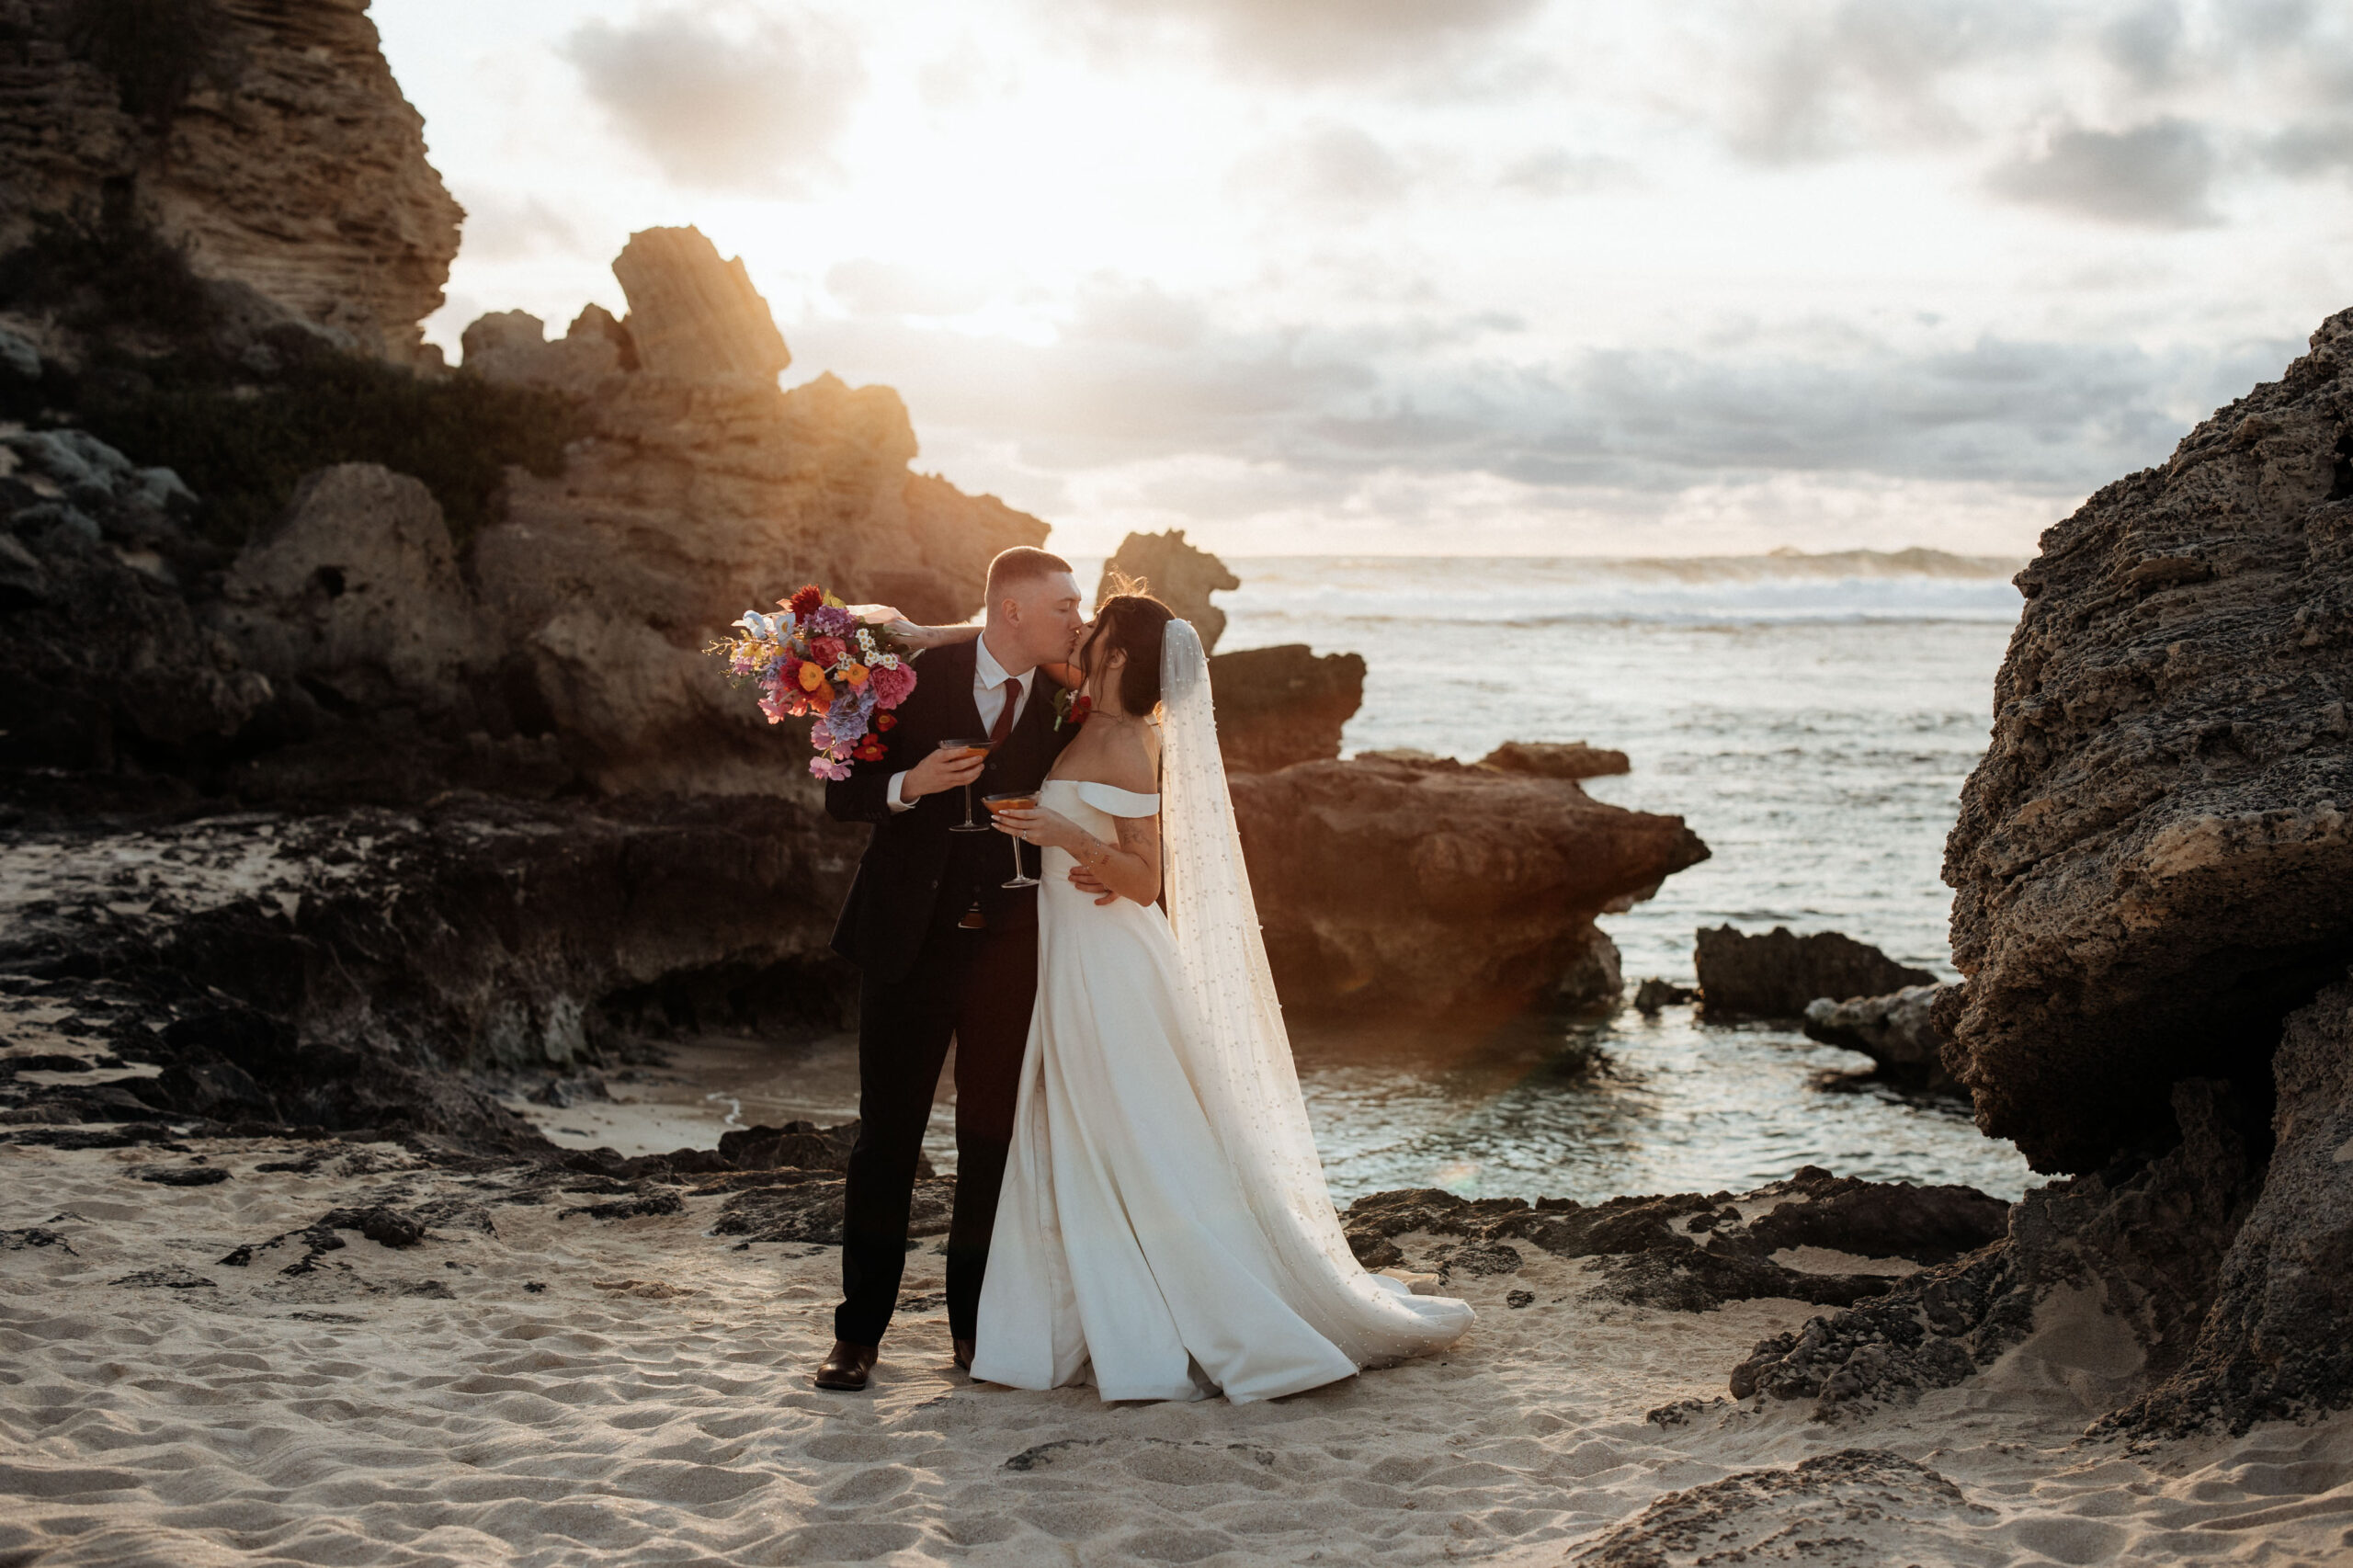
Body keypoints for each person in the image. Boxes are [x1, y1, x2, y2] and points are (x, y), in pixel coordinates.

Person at [973, 593, 1472, 1401]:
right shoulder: (1088, 712)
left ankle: (1186, 1305)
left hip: (1111, 962)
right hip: (1071, 953)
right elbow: (1011, 641)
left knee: (1134, 1127)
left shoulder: (1133, 746)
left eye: (1092, 627)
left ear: (1120, 655)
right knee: (1088, 1126)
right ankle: (1086, 1309)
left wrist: (1062, 835)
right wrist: (933, 634)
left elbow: (1143, 882)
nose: (1079, 634)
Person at [813, 547, 1086, 1392]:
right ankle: (858, 1337)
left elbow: (1163, 652)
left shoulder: (1071, 697)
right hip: (907, 943)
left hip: (1012, 950)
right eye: (1064, 606)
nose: (1077, 618)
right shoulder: (907, 678)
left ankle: (974, 1336)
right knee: (886, 1142)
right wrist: (913, 781)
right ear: (1012, 611)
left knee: (990, 1146)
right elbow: (840, 795)